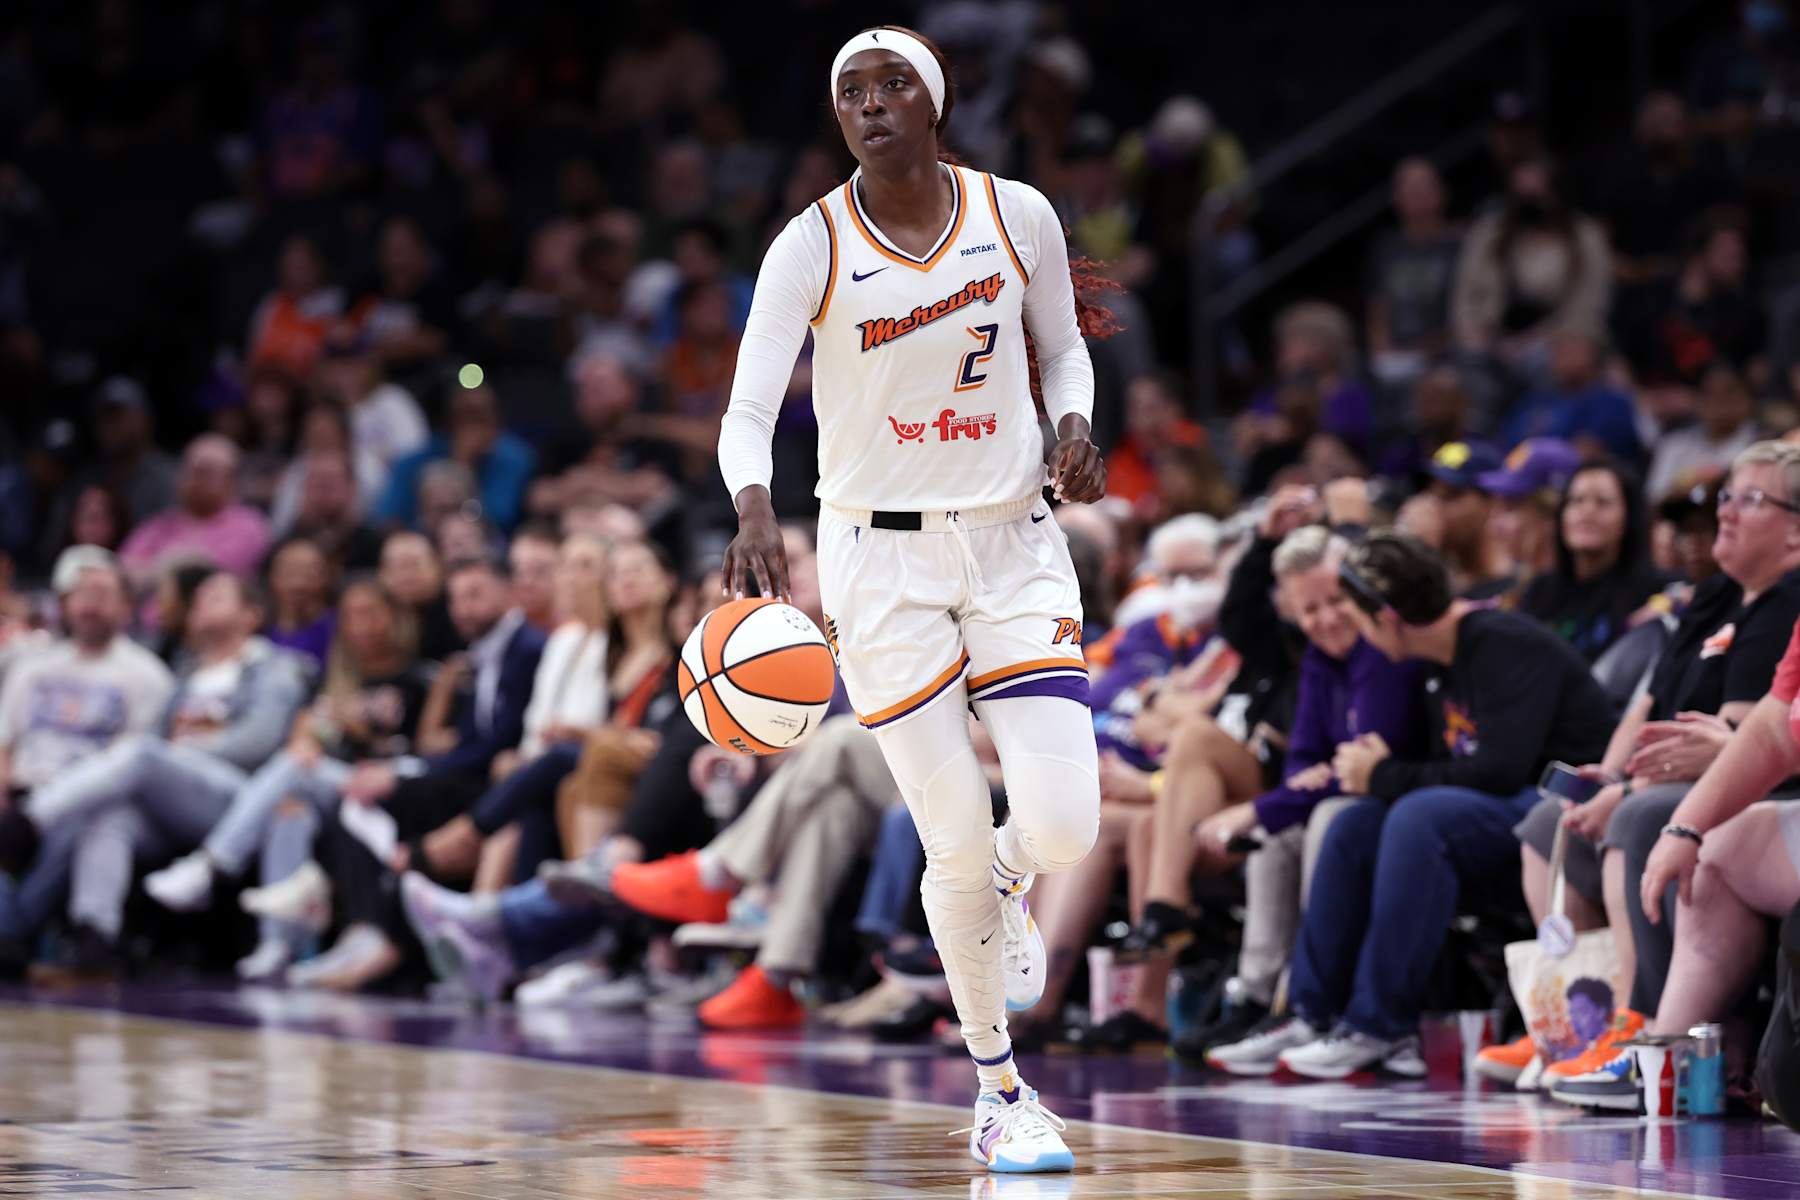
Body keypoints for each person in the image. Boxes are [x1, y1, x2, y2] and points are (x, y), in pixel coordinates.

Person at [714, 25, 1116, 1172]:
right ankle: (1001, 1091)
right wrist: (753, 506)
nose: (872, 103)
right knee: (945, 836)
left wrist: (1075, 424)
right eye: (851, 91)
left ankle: (1007, 880)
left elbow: (1065, 353)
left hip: (1013, 543)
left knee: (1062, 826)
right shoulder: (812, 244)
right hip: (875, 563)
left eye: (894, 85)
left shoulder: (1015, 213)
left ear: (935, 105)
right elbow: (748, 411)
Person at [1206, 531, 1613, 1078]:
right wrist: (1377, 779)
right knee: (1355, 821)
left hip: (1562, 809)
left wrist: (1383, 774)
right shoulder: (1433, 661)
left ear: (1388, 618)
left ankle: (1381, 1025)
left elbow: (1498, 769)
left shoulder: (1501, 644)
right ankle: (1313, 1013)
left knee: (1419, 817)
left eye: (1355, 612)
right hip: (1501, 809)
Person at [1486, 440, 1800, 1091]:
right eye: (1726, 497)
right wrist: (1610, 773)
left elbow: (1745, 738)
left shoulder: (1784, 603)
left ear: (1797, 530)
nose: (1727, 513)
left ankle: (1641, 1018)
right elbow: (1657, 707)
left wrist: (1632, 792)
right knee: (1553, 821)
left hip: (1721, 787)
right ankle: (1574, 1025)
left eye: (1750, 499)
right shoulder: (1711, 599)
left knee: (1642, 818)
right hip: (1686, 778)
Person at [1180, 527, 1423, 1063]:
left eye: (1337, 600)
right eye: (1310, 609)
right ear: (1292, 611)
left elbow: (1367, 765)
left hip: (1399, 799)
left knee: (1322, 817)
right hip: (1347, 799)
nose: (1327, 619)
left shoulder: (1382, 653)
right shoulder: (1317, 661)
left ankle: (1320, 1003)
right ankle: (1259, 999)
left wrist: (1263, 804)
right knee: (1275, 834)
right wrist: (1288, 798)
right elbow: (1304, 763)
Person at [0, 572, 308, 975]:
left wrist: (179, 754)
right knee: (107, 819)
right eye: (197, 599)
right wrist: (171, 759)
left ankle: (28, 820)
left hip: (242, 799)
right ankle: (95, 935)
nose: (200, 604)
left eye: (216, 596)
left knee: (143, 753)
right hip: (181, 799)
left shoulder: (272, 666)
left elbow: (259, 741)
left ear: (251, 614)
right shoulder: (186, 674)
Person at [1552, 612, 1800, 1109]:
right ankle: (1663, 1054)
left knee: (1637, 814)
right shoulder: (1715, 606)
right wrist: (1685, 828)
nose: (1719, 528)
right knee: (1708, 849)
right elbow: (1775, 726)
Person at [140, 577, 436, 980]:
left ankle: (213, 865)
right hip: (340, 786)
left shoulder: (422, 679)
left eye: (371, 613)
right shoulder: (334, 684)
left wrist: (354, 738)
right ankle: (278, 945)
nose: (360, 625)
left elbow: (431, 745)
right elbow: (307, 737)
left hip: (396, 783)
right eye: (350, 616)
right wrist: (318, 731)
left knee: (293, 766)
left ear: (395, 619)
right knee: (289, 808)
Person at [284, 555, 544, 990]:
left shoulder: (526, 649)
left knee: (372, 798)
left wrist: (410, 773)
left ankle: (380, 934)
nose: (463, 608)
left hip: (500, 780)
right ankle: (368, 929)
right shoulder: (480, 655)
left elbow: (498, 742)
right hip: (473, 772)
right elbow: (465, 741)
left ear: (508, 591)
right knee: (361, 798)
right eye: (457, 598)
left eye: (475, 594)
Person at [0, 549, 172, 809]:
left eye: (102, 593)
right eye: (81, 593)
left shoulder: (149, 676)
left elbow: (131, 765)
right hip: (18, 794)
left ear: (126, 606)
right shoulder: (32, 667)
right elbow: (4, 743)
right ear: (65, 603)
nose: (90, 603)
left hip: (91, 804)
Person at [1518, 460, 1668, 662]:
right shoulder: (1539, 591)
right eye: (1576, 500)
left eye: (1603, 502)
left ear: (1628, 518)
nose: (1587, 511)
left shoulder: (1656, 591)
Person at [117, 436, 273, 594]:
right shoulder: (160, 523)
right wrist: (173, 565)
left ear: (231, 480)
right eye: (188, 470)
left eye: (204, 472)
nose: (193, 479)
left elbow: (205, 577)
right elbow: (121, 571)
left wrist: (154, 569)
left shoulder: (248, 526)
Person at [376, 385, 538, 532]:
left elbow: (498, 519)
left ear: (497, 419)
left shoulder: (514, 458)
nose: (472, 427)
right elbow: (386, 518)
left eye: (480, 417)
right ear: (448, 420)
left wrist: (465, 465)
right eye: (463, 416)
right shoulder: (413, 461)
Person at [1497, 326, 1642, 461]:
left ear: (1593, 353)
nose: (1561, 356)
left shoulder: (1611, 402)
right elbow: (1503, 442)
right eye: (1557, 348)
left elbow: (1586, 453)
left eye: (1571, 349)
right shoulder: (1534, 399)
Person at [1477, 438, 1583, 602]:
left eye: (1510, 508)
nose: (1493, 526)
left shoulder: (1582, 599)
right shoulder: (1514, 592)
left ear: (1552, 515)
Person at [1645, 362, 1761, 504]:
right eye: (1710, 394)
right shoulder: (1673, 445)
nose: (1719, 403)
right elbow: (1654, 500)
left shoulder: (1761, 446)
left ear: (1748, 399)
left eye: (1729, 394)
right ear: (1698, 400)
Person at [263, 536, 337, 671]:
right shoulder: (257, 629)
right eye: (289, 572)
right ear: (272, 577)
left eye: (310, 573)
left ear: (327, 577)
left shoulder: (341, 629)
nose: (298, 583)